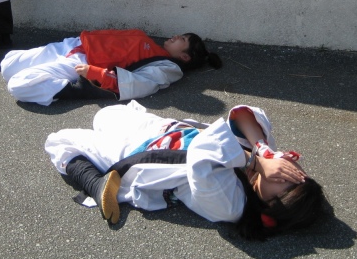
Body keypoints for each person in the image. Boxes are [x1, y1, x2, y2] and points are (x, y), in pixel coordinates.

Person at [45, 102, 331, 239]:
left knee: (60, 141)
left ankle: (96, 183)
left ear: (270, 205)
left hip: (140, 159)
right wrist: (264, 150)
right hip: (165, 130)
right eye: (300, 175)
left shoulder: (231, 205)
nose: (290, 171)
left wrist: (255, 160)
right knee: (104, 114)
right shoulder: (264, 168)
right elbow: (244, 113)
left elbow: (203, 155)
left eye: (289, 184)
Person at [0, 30, 223, 105]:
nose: (175, 36)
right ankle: (44, 79)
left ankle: (62, 88)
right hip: (73, 44)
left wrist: (95, 74)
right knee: (7, 65)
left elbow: (141, 84)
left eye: (182, 39)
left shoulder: (169, 68)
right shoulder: (155, 48)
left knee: (18, 85)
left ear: (184, 56)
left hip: (81, 63)